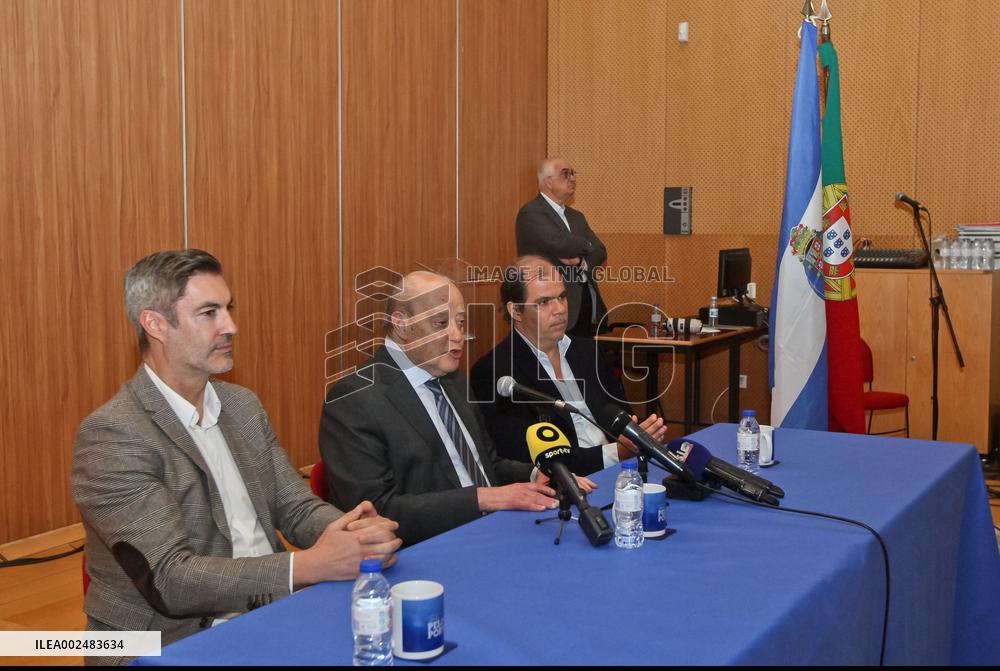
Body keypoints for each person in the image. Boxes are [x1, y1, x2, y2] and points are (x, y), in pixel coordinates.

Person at [72, 250, 400, 663]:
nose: (231, 326)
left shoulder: (241, 405)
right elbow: (171, 579)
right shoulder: (113, 434)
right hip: (163, 641)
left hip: (269, 609)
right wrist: (307, 567)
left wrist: (352, 534)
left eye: (228, 309)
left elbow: (293, 507)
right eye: (208, 313)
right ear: (155, 324)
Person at [320, 270, 596, 547]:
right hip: (426, 552)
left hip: (495, 530)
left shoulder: (453, 382)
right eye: (441, 323)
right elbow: (376, 511)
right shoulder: (353, 400)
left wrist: (538, 475)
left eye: (461, 322)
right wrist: (484, 498)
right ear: (402, 324)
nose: (457, 335)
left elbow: (488, 464)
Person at [470, 256, 666, 475]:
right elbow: (531, 458)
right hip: (566, 485)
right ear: (515, 311)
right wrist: (616, 452)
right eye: (544, 302)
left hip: (623, 470)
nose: (559, 309)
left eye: (562, 297)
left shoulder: (587, 350)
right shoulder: (495, 372)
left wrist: (640, 435)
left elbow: (622, 416)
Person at [516, 157, 609, 336]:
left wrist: (582, 261)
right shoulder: (531, 213)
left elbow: (601, 251)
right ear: (548, 181)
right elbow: (562, 245)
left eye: (573, 173)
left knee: (581, 360)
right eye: (566, 174)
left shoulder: (577, 216)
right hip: (548, 305)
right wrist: (588, 244)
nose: (572, 178)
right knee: (551, 362)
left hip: (584, 303)